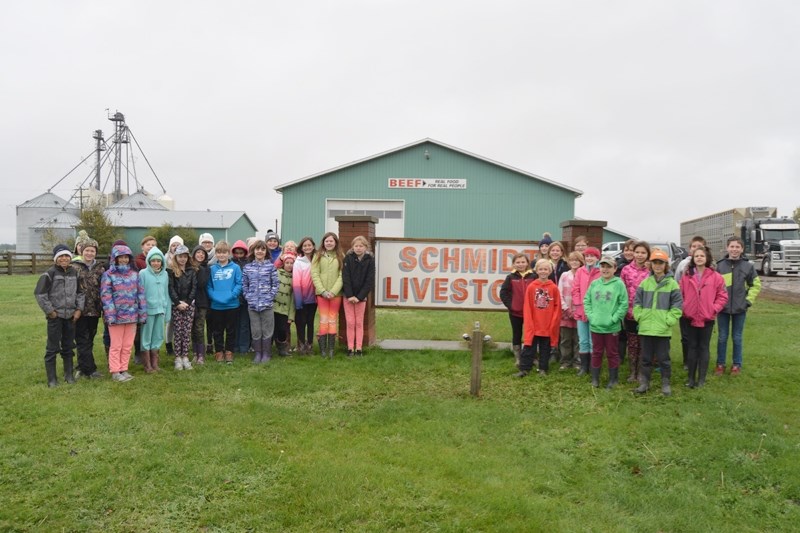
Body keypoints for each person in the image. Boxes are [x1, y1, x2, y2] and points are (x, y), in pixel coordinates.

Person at [633, 248, 683, 396]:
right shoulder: (645, 283)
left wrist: (669, 320)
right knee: (646, 358)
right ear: (651, 265)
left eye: (660, 263)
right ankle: (644, 383)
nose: (657, 266)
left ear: (665, 265)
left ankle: (665, 384)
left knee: (664, 359)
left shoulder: (672, 284)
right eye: (655, 263)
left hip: (662, 329)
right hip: (646, 327)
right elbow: (637, 303)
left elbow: (677, 306)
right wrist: (639, 316)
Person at [34, 244, 85, 387]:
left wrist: (78, 310)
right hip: (55, 318)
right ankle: (52, 379)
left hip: (71, 317)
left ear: (70, 257)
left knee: (68, 347)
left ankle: (68, 375)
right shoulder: (49, 274)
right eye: (61, 256)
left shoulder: (75, 273)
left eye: (67, 256)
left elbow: (80, 293)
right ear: (56, 258)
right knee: (52, 348)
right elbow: (40, 294)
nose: (64, 259)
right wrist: (50, 311)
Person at [679, 246, 727, 388]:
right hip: (690, 317)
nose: (699, 258)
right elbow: (679, 294)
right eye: (696, 256)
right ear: (693, 259)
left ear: (707, 259)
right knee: (692, 347)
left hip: (707, 318)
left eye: (702, 256)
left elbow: (722, 296)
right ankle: (691, 379)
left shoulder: (716, 277)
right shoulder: (686, 276)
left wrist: (714, 309)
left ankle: (701, 379)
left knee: (704, 348)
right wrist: (684, 308)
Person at [714, 236, 761, 376]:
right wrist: (716, 303)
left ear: (742, 249)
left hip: (740, 309)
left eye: (737, 247)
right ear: (727, 248)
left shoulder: (748, 266)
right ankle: (720, 364)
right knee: (722, 337)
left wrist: (748, 301)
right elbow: (714, 287)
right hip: (722, 308)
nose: (734, 249)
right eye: (732, 246)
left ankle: (736, 364)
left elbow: (756, 285)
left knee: (737, 337)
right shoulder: (720, 266)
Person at [100, 244, 146, 382]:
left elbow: (141, 295)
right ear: (115, 258)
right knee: (116, 345)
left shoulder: (135, 275)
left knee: (127, 345)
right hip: (116, 317)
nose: (124, 260)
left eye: (126, 257)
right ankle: (115, 371)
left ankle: (124, 369)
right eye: (121, 257)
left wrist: (142, 313)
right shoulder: (108, 275)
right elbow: (106, 296)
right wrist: (111, 315)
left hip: (132, 316)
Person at [584, 256, 628, 388]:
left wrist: (614, 319)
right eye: (603, 266)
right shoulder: (595, 284)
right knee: (596, 352)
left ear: (615, 269)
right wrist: (592, 316)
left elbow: (624, 304)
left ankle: (613, 379)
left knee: (612, 353)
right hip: (596, 326)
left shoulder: (619, 284)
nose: (605, 269)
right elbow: (587, 301)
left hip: (612, 327)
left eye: (609, 266)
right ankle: (595, 378)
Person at [516, 259, 561, 377]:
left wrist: (554, 321)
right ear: (536, 270)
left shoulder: (553, 288)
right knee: (529, 347)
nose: (543, 271)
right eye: (540, 269)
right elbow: (528, 305)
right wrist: (529, 321)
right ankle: (524, 369)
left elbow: (557, 306)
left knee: (545, 348)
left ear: (550, 271)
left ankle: (543, 369)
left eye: (546, 269)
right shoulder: (531, 287)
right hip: (534, 323)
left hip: (547, 324)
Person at [72, 237, 105, 379]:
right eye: (87, 250)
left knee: (89, 339)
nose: (90, 253)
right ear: (82, 251)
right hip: (79, 309)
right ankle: (90, 370)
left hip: (95, 309)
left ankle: (81, 366)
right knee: (82, 339)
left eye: (92, 251)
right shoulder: (74, 267)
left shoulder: (100, 268)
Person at [675, 236, 709, 370]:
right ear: (690, 249)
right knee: (686, 336)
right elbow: (678, 282)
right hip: (686, 307)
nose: (696, 249)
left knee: (700, 337)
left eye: (699, 246)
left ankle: (700, 360)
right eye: (694, 246)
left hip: (703, 309)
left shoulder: (710, 266)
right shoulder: (683, 265)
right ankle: (687, 361)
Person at [242, 240, 279, 363]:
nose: (259, 251)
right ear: (253, 251)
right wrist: (248, 296)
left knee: (267, 330)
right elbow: (244, 284)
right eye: (257, 249)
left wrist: (270, 296)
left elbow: (275, 284)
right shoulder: (248, 268)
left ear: (266, 252)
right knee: (256, 330)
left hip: (267, 304)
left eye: (262, 249)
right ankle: (258, 354)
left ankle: (266, 354)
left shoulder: (271, 267)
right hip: (252, 305)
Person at [620, 241, 651, 383]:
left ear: (647, 254)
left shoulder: (651, 270)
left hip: (646, 313)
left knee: (644, 343)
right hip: (630, 312)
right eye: (637, 252)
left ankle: (642, 372)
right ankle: (633, 371)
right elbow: (622, 290)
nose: (639, 255)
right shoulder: (626, 269)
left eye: (643, 253)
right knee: (632, 343)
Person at [207, 241, 243, 363]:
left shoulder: (235, 268)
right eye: (219, 252)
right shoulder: (212, 269)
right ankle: (219, 352)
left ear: (228, 253)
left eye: (224, 252)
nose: (221, 255)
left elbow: (239, 283)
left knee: (231, 330)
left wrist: (232, 295)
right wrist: (214, 297)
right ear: (216, 254)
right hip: (216, 305)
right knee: (217, 330)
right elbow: (209, 286)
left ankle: (229, 352)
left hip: (232, 304)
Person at [500, 253, 536, 368]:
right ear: (514, 264)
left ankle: (531, 356)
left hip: (531, 312)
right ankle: (518, 358)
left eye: (523, 262)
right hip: (515, 313)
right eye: (518, 262)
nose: (521, 264)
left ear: (527, 263)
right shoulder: (510, 277)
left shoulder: (533, 276)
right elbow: (503, 293)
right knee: (517, 334)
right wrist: (511, 305)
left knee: (531, 334)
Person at [139, 247, 171, 373]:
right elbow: (140, 294)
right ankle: (147, 365)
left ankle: (155, 363)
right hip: (148, 311)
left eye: (158, 260)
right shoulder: (143, 274)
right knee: (146, 337)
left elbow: (166, 293)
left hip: (161, 310)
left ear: (162, 262)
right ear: (149, 261)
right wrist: (142, 312)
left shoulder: (165, 274)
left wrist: (167, 311)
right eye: (153, 260)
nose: (156, 263)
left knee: (158, 336)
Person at [342, 236, 376, 357]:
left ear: (365, 247)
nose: (358, 248)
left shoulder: (370, 260)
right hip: (348, 297)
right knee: (350, 322)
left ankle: (359, 348)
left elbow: (369, 280)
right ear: (352, 247)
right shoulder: (348, 258)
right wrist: (350, 295)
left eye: (361, 246)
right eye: (356, 246)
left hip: (361, 298)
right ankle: (350, 348)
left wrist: (360, 296)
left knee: (359, 322)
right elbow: (345, 277)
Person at [312, 232, 344, 357]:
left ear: (335, 242)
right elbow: (314, 274)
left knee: (332, 320)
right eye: (327, 241)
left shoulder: (340, 256)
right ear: (323, 243)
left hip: (336, 294)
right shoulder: (318, 256)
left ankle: (331, 349)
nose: (329, 243)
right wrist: (323, 291)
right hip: (322, 294)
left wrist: (333, 291)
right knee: (323, 320)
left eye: (331, 241)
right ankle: (323, 350)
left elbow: (342, 275)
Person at [572, 246, 601, 376]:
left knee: (592, 340)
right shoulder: (580, 271)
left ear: (597, 258)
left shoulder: (601, 271)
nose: (589, 258)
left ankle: (593, 366)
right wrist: (578, 304)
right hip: (581, 311)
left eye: (592, 256)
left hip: (596, 312)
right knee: (583, 340)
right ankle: (584, 367)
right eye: (587, 256)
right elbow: (575, 289)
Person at [168, 245, 196, 371]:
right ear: (176, 257)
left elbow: (194, 287)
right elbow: (171, 288)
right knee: (178, 332)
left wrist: (188, 302)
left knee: (186, 331)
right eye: (180, 256)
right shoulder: (172, 271)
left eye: (185, 256)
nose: (182, 259)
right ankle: (177, 357)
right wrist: (177, 302)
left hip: (189, 305)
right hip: (176, 305)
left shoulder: (192, 271)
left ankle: (185, 356)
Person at [557, 251, 583, 370]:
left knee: (578, 339)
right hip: (565, 312)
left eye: (577, 260)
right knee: (565, 339)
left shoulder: (583, 275)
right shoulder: (564, 275)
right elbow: (559, 293)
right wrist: (566, 309)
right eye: (572, 260)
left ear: (581, 262)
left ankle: (577, 362)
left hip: (579, 312)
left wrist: (578, 310)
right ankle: (565, 361)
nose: (574, 262)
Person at [292, 237, 318, 354]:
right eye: (305, 245)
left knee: (310, 322)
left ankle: (310, 345)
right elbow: (296, 282)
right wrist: (298, 301)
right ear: (301, 248)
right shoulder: (298, 262)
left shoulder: (317, 260)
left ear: (313, 246)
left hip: (314, 298)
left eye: (309, 245)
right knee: (301, 322)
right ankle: (301, 345)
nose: (307, 247)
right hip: (302, 298)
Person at [273, 251, 297, 356]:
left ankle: (281, 349)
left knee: (282, 329)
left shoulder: (295, 278)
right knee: (271, 329)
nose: (289, 265)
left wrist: (291, 315)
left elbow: (293, 299)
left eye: (292, 263)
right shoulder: (277, 273)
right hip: (273, 307)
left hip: (284, 309)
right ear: (283, 263)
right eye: (287, 263)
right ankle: (268, 348)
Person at [231, 240, 252, 355]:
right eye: (236, 253)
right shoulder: (230, 263)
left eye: (241, 253)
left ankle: (244, 347)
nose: (239, 255)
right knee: (234, 324)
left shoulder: (249, 264)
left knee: (244, 324)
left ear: (245, 253)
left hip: (246, 299)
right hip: (234, 298)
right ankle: (234, 346)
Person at [191, 245, 211, 364]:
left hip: (202, 302)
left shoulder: (206, 268)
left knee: (199, 328)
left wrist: (199, 270)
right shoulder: (189, 268)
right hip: (190, 301)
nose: (200, 255)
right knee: (192, 328)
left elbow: (201, 283)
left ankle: (201, 354)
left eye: (203, 253)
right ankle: (195, 352)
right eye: (198, 253)